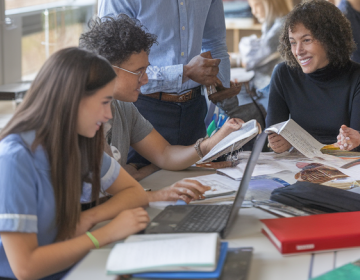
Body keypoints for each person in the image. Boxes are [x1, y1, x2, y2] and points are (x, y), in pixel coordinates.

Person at [0, 48, 150, 280]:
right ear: (72, 101)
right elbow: (26, 268)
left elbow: (135, 194)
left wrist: (89, 218)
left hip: (58, 268)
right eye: (104, 102)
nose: (108, 115)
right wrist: (104, 234)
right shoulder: (12, 160)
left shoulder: (74, 142)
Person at [97, 0, 230, 164]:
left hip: (195, 108)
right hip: (141, 109)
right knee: (139, 186)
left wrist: (222, 89)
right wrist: (183, 73)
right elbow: (111, 66)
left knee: (199, 185)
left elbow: (214, 40)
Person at [78, 15, 245, 203]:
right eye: (139, 72)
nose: (145, 79)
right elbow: (100, 194)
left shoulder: (124, 107)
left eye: (146, 70)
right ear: (109, 69)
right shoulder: (82, 120)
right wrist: (148, 185)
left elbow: (165, 154)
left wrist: (214, 140)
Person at [266, 0, 360, 153]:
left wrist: (353, 141)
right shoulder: (283, 74)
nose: (298, 51)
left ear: (329, 40)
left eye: (306, 40)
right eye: (293, 42)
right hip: (296, 163)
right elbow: (272, 136)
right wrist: (278, 144)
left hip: (343, 162)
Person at [230, 0, 292, 90]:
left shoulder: (282, 28)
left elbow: (251, 61)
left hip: (273, 87)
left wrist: (237, 59)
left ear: (269, 2)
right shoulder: (273, 24)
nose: (253, 12)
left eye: (256, 5)